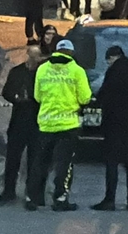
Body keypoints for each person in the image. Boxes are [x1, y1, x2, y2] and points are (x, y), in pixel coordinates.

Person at [27, 40, 92, 211]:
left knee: (40, 162)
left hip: (46, 124)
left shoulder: (42, 69)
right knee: (64, 164)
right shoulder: (77, 71)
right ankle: (60, 198)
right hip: (68, 125)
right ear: (70, 53)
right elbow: (85, 98)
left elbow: (37, 96)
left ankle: (32, 197)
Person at [93, 46, 128, 212]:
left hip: (114, 124)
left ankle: (110, 199)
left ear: (112, 57)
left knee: (112, 163)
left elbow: (103, 95)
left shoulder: (112, 73)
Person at [0, 46, 44, 203]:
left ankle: (31, 192)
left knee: (35, 160)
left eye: (36, 57)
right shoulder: (17, 72)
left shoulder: (43, 73)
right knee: (12, 159)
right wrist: (16, 98)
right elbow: (6, 92)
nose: (33, 60)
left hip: (37, 121)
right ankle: (8, 190)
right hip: (18, 120)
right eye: (32, 56)